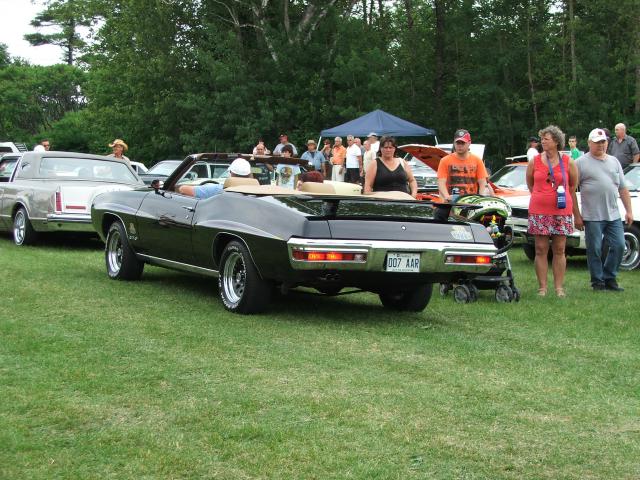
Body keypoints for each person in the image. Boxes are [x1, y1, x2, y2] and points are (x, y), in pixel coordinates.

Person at [572, 128, 634, 292]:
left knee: (620, 245)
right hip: (592, 215)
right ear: (590, 143)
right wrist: (577, 215)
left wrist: (629, 211)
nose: (601, 145)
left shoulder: (614, 161)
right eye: (597, 142)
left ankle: (610, 277)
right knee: (595, 249)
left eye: (603, 142)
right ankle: (598, 282)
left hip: (613, 214)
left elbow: (623, 188)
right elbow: (571, 190)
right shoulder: (580, 163)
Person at [526, 125, 578, 297]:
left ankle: (558, 287)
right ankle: (542, 288)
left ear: (556, 141)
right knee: (540, 248)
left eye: (546, 139)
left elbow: (572, 185)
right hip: (539, 209)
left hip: (561, 210)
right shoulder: (535, 161)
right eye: (542, 139)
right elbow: (530, 183)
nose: (543, 142)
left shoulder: (568, 161)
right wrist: (542, 195)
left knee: (559, 248)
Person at [437, 129, 489, 201]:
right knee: (437, 212)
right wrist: (447, 196)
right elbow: (441, 182)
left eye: (462, 143)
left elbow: (483, 182)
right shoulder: (445, 161)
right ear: (454, 143)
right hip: (449, 202)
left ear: (469, 143)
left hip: (470, 202)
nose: (459, 146)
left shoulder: (477, 160)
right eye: (457, 143)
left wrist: (480, 199)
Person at [177, 157, 252, 199]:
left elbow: (183, 190)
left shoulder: (218, 190)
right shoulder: (258, 192)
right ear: (249, 175)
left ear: (231, 173)